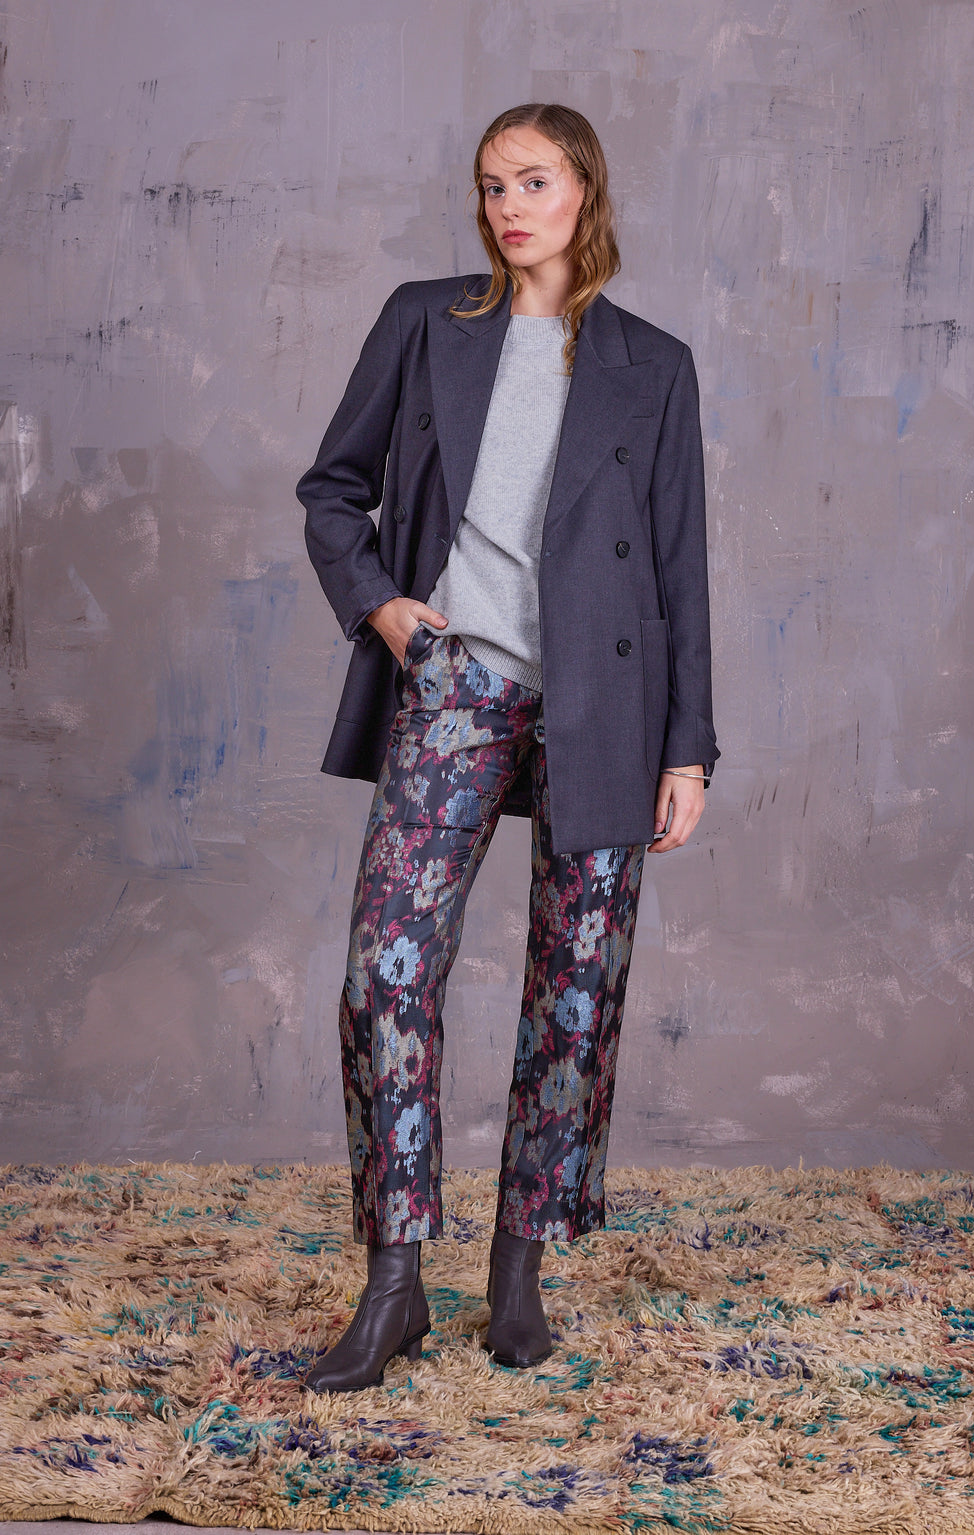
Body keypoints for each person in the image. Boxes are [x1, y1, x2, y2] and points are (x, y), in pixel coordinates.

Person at [295, 102, 718, 1393]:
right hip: (457, 679)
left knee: (576, 988)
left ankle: (519, 1274)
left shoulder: (653, 363)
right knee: (385, 970)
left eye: (533, 181)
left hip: (607, 699)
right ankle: (395, 1283)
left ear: (584, 189)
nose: (508, 207)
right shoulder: (428, 321)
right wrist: (383, 606)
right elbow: (333, 489)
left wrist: (689, 750)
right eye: (491, 185)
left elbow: (682, 568)